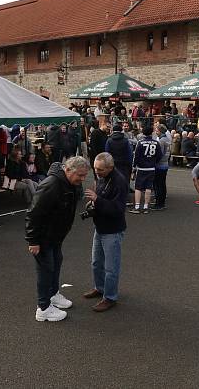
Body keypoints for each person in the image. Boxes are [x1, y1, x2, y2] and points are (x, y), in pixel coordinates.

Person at [25, 156, 89, 322]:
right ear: (67, 170)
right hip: (44, 237)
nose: (82, 179)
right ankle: (43, 308)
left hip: (55, 236)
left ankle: (53, 295)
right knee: (46, 269)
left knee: (56, 263)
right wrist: (33, 241)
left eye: (84, 176)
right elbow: (33, 214)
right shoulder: (51, 185)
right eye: (80, 175)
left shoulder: (69, 183)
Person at [82, 152, 127, 312]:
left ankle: (110, 297)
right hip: (100, 227)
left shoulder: (119, 182)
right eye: (95, 168)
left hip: (113, 230)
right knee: (96, 263)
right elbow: (101, 200)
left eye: (100, 169)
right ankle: (100, 288)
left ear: (110, 167)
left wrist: (97, 200)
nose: (96, 172)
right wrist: (93, 205)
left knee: (111, 267)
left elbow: (118, 209)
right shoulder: (102, 178)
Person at [130, 126, 163, 214]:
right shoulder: (156, 143)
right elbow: (160, 155)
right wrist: (154, 162)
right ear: (151, 132)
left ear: (143, 133)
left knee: (138, 187)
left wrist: (134, 167)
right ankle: (146, 206)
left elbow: (136, 156)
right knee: (148, 187)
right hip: (151, 167)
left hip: (141, 168)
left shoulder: (140, 142)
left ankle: (137, 206)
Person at [153, 125, 171, 210]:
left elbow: (159, 154)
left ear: (160, 131)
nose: (155, 132)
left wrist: (155, 161)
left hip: (160, 165)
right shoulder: (167, 139)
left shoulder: (161, 141)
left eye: (156, 130)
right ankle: (161, 202)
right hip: (165, 164)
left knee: (158, 185)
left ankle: (159, 203)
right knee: (162, 184)